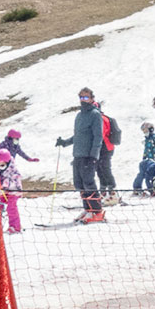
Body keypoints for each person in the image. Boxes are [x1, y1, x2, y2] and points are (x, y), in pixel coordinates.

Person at [55, 88, 108, 223]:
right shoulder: (79, 115)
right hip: (78, 154)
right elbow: (78, 135)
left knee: (89, 183)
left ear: (91, 98)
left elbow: (98, 136)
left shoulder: (95, 114)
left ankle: (97, 211)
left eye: (86, 98)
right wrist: (65, 142)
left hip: (89, 155)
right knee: (79, 183)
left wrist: (94, 155)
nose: (83, 100)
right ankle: (88, 209)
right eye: (81, 98)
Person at [0, 149, 25, 234]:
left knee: (11, 208)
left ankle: (15, 226)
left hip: (13, 192)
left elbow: (11, 181)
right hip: (3, 192)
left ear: (8, 162)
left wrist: (4, 186)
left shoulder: (13, 171)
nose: (0, 167)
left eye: (2, 165)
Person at [133, 122, 155, 196]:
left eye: (145, 130)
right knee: (143, 174)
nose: (144, 132)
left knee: (154, 174)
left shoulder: (154, 137)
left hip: (154, 159)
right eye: (143, 131)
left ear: (151, 129)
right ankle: (137, 188)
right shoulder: (148, 138)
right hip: (147, 160)